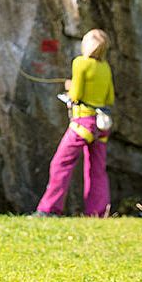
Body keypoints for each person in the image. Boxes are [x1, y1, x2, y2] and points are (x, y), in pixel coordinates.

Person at [34, 29, 116, 217]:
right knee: (97, 169)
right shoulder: (105, 67)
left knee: (60, 163)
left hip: (83, 122)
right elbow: (109, 97)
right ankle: (98, 211)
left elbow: (76, 95)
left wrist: (70, 88)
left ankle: (49, 209)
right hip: (102, 124)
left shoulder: (80, 63)